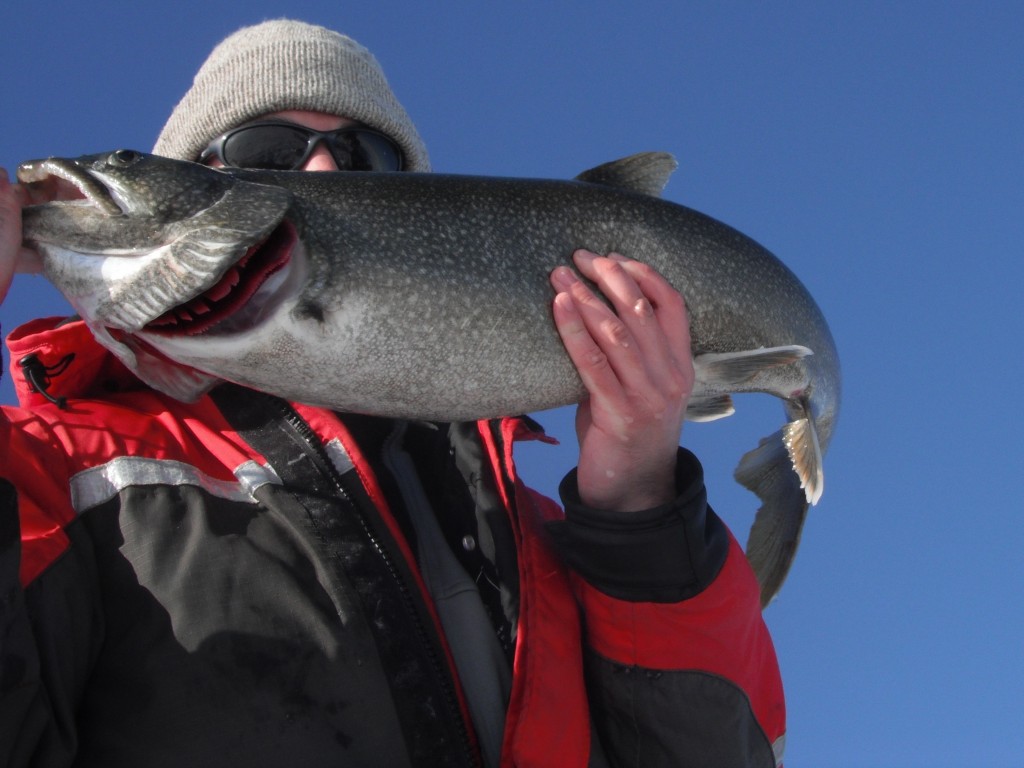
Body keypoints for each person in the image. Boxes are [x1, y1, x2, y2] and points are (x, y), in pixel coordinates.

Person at [0, 19, 785, 768]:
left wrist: (640, 507)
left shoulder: (545, 535)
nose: (320, 172)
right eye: (266, 149)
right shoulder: (52, 480)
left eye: (361, 155)